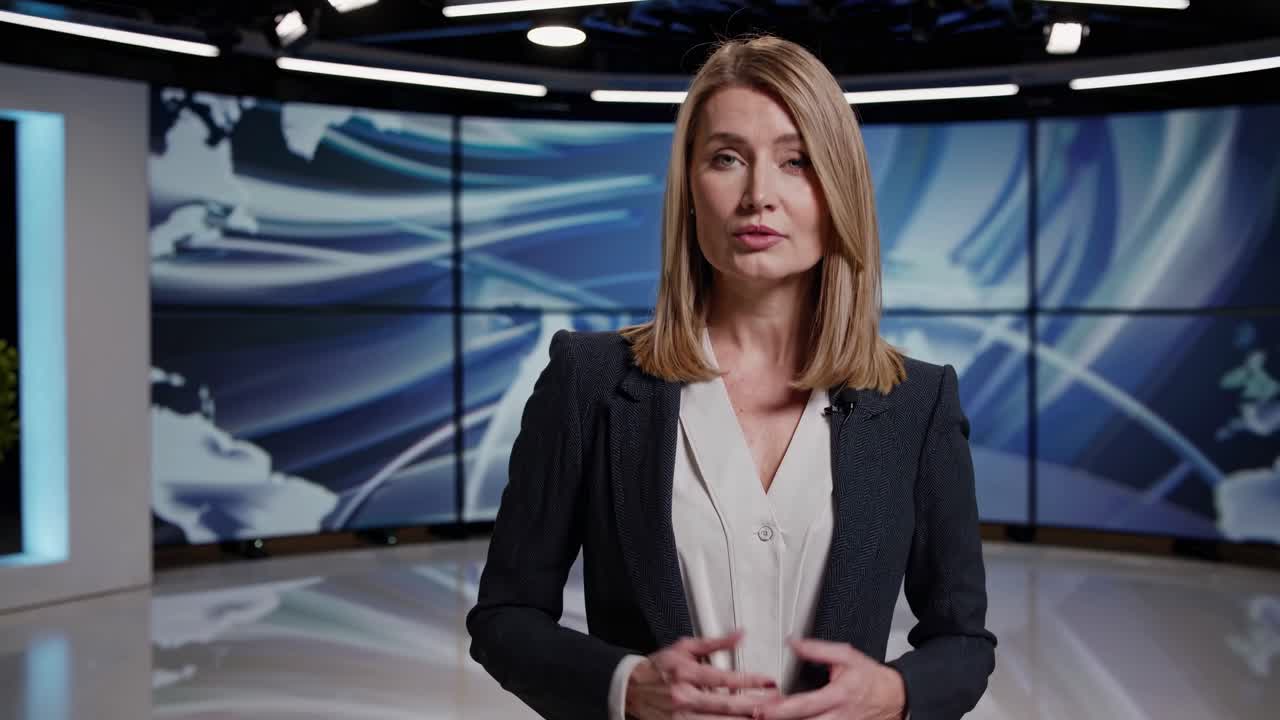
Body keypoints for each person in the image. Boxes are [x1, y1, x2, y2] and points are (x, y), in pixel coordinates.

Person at [466, 35, 997, 720]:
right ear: (690, 189)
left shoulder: (917, 401)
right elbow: (505, 617)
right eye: (726, 159)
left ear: (838, 189)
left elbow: (963, 641)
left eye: (796, 161)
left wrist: (895, 694)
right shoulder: (588, 381)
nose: (758, 196)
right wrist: (626, 686)